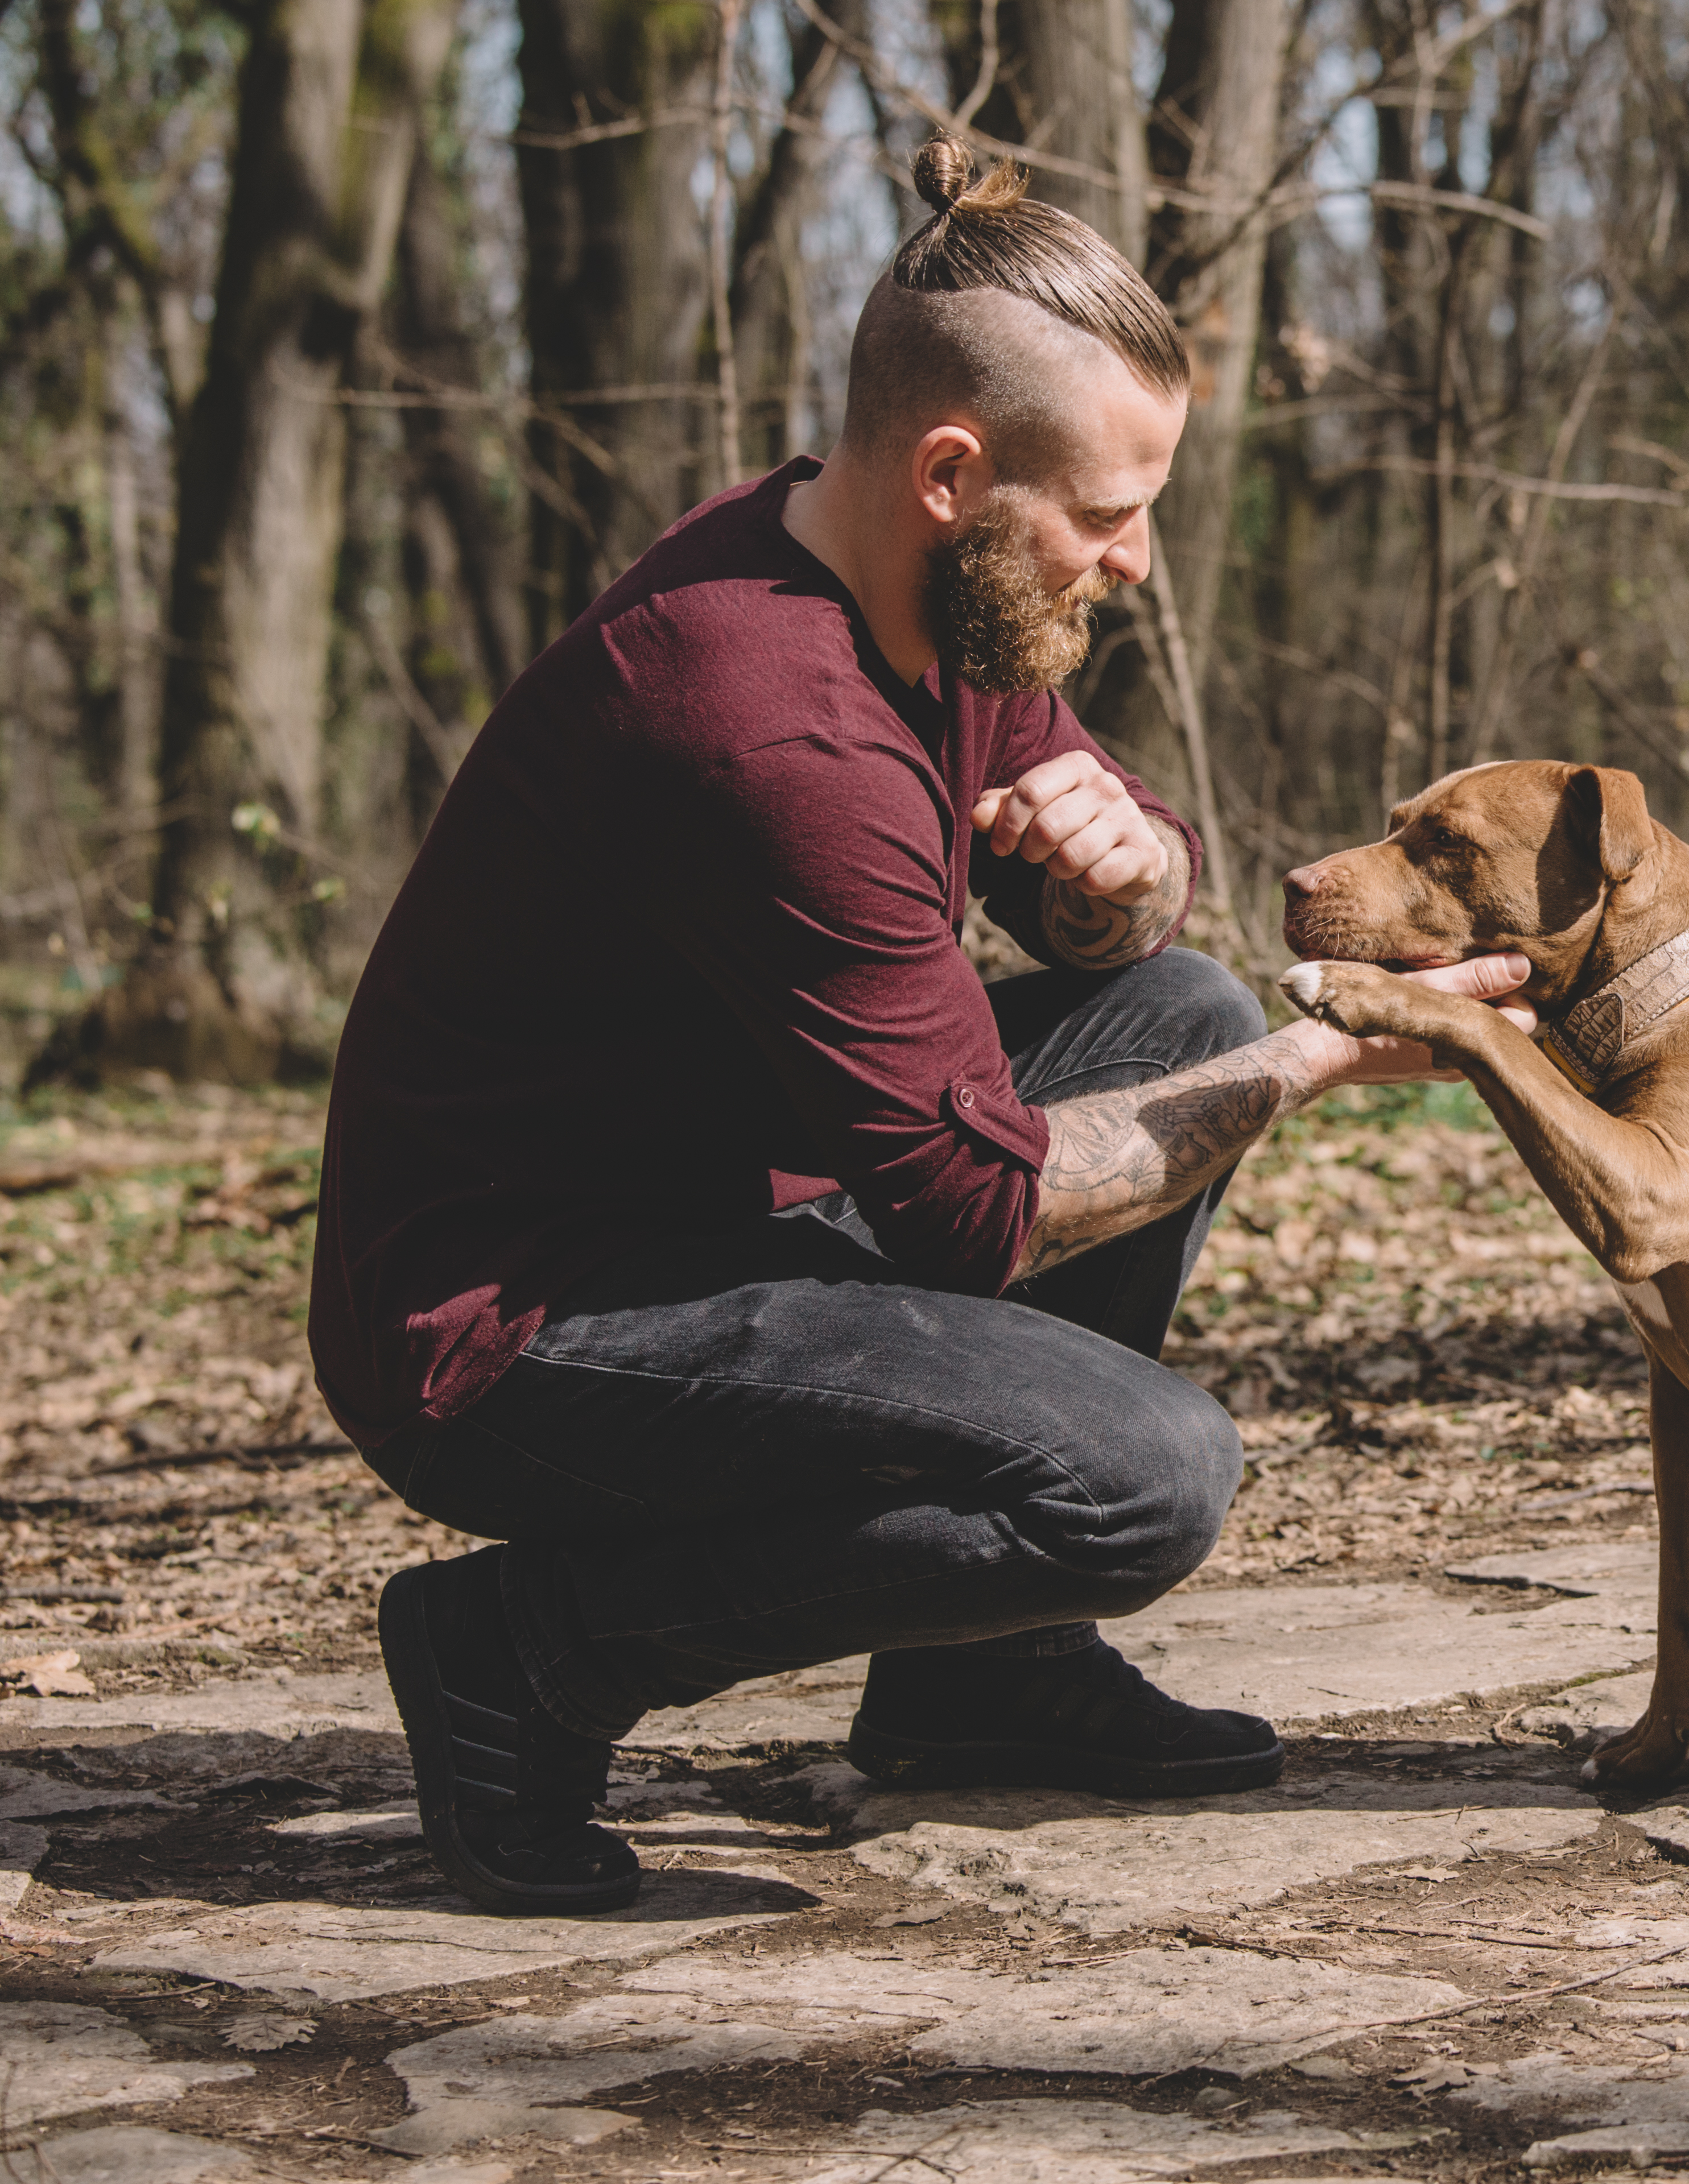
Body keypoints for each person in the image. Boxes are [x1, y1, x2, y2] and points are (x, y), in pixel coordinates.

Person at [308, 139, 1529, 1916]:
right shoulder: (767, 720)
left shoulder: (935, 587)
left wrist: (1123, 879)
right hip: (511, 1328)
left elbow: (1130, 882)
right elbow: (983, 1212)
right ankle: (526, 1651)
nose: (1136, 562)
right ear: (954, 471)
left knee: (1169, 1002)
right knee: (1139, 1477)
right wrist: (1313, 1056)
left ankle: (979, 1677)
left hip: (728, 1210)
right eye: (1108, 514)